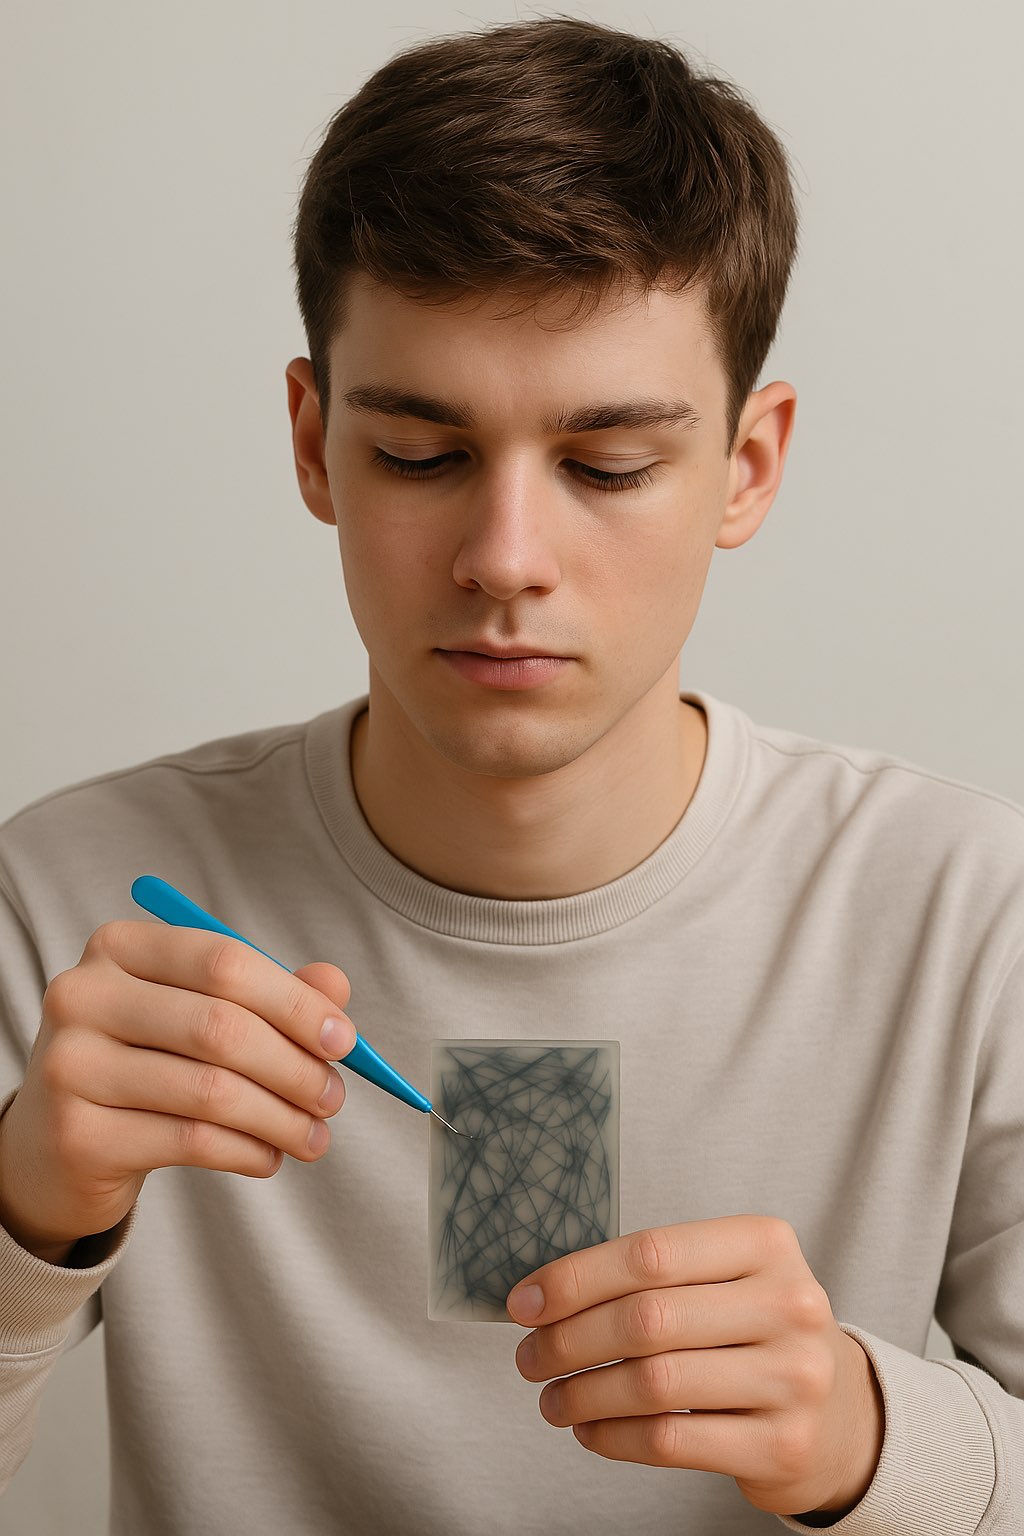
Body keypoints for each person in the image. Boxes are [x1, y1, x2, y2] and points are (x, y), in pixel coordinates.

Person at [0, 13, 1020, 1534]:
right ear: (312, 440)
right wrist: (22, 1220)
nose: (505, 562)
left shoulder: (968, 913)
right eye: (421, 454)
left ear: (749, 465)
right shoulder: (73, 904)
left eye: (608, 466)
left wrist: (875, 1434)